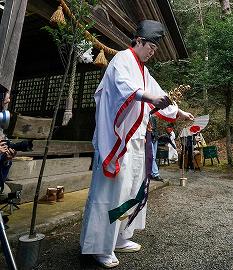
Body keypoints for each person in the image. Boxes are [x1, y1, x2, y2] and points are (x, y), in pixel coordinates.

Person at [80, 20, 194, 268]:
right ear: (139, 41)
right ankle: (100, 246)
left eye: (155, 49)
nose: (153, 52)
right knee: (111, 192)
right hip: (118, 140)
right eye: (150, 46)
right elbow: (125, 87)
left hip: (138, 139)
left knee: (133, 189)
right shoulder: (122, 59)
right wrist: (145, 95)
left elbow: (159, 95)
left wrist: (179, 112)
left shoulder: (144, 71)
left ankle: (121, 237)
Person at [149, 116, 162, 181]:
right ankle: (155, 173)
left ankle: (152, 173)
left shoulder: (153, 117)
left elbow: (155, 128)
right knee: (152, 156)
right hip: (149, 137)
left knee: (153, 156)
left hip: (154, 137)